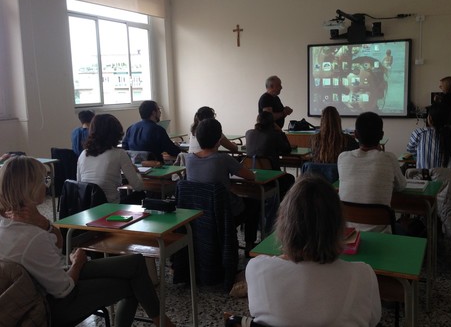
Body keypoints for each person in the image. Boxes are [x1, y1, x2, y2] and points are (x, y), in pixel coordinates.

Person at [0, 156, 175, 327]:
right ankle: (162, 321)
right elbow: (64, 289)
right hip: (51, 305)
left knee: (135, 262)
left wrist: (44, 223)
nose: (46, 185)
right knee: (131, 284)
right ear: (29, 187)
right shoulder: (33, 237)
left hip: (48, 283)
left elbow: (56, 251)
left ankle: (162, 321)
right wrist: (76, 264)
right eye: (42, 180)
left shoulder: (8, 225)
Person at [246, 174, 381, 327]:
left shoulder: (256, 269)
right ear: (338, 225)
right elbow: (373, 320)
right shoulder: (363, 275)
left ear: (284, 222)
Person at [184, 118, 259, 252]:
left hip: (199, 212)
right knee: (254, 203)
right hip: (224, 213)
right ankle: (249, 245)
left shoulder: (188, 159)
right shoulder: (223, 159)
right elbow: (250, 176)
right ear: (219, 139)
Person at [337, 112, 406, 232]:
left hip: (347, 234)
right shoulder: (389, 158)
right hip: (381, 235)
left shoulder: (343, 158)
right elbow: (401, 186)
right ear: (381, 135)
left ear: (355, 135)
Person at [78, 114, 144, 203]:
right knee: (141, 194)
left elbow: (79, 183)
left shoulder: (83, 154)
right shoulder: (119, 154)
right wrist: (136, 171)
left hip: (87, 206)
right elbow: (138, 186)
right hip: (110, 207)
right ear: (116, 132)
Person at [245, 111, 296, 224]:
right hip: (272, 179)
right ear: (272, 123)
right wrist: (281, 132)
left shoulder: (248, 133)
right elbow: (287, 149)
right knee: (290, 179)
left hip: (251, 177)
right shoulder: (275, 135)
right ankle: (279, 212)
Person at [407, 103, 451, 169]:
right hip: (449, 178)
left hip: (424, 178)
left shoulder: (418, 133)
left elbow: (410, 149)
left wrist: (422, 154)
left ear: (430, 119)